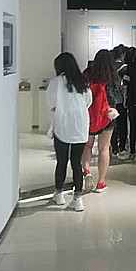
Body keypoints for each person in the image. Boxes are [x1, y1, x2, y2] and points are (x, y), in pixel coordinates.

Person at [48, 52, 92, 212]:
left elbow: (51, 103)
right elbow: (88, 102)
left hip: (63, 124)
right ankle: (78, 199)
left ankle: (59, 194)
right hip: (80, 125)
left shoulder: (56, 82)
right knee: (76, 163)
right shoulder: (83, 82)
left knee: (61, 161)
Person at [82, 49, 119, 194]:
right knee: (104, 148)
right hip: (107, 116)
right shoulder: (112, 76)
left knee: (88, 146)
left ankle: (86, 171)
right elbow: (116, 97)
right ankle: (101, 182)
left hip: (89, 115)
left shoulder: (87, 74)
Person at [110, 47, 129, 159]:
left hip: (111, 101)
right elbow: (125, 86)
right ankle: (122, 146)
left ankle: (114, 147)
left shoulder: (109, 67)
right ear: (122, 55)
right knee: (122, 124)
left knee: (113, 124)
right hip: (121, 100)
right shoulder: (124, 68)